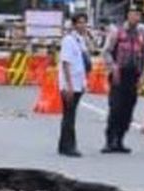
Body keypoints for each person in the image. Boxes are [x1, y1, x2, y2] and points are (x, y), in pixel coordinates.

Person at [101, 5, 144, 154]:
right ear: (128, 15)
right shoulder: (117, 32)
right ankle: (110, 140)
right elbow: (106, 52)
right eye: (133, 14)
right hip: (118, 75)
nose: (136, 17)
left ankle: (120, 140)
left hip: (133, 76)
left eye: (138, 15)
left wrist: (143, 76)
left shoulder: (142, 34)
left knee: (128, 109)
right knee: (116, 108)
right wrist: (112, 67)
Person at [58, 12, 91, 157]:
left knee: (70, 114)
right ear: (73, 24)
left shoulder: (80, 40)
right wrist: (69, 86)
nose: (82, 25)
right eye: (79, 22)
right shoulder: (68, 40)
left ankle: (63, 145)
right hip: (69, 84)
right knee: (69, 115)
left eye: (84, 22)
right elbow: (66, 63)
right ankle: (69, 146)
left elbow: (83, 63)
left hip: (78, 83)